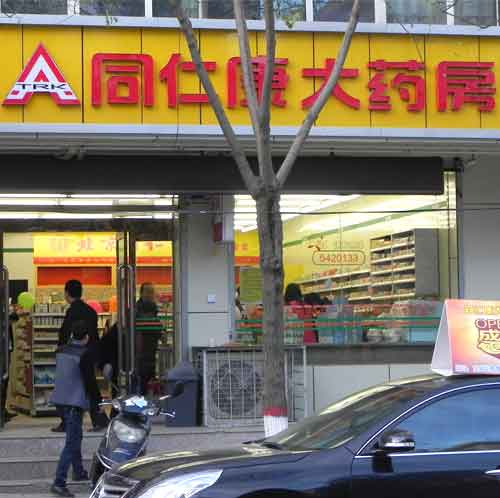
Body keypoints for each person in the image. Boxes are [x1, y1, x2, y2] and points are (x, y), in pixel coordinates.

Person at [50, 321, 101, 498]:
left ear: (72, 335)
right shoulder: (84, 354)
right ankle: (59, 482)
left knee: (76, 436)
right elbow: (90, 381)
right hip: (74, 401)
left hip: (60, 399)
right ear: (86, 337)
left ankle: (78, 471)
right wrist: (98, 401)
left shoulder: (61, 350)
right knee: (71, 442)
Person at [52, 280, 106, 433]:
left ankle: (67, 422)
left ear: (67, 293)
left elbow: (64, 334)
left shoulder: (72, 311)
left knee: (69, 387)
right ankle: (99, 419)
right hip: (89, 354)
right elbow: (94, 335)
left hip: (73, 355)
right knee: (91, 386)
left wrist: (61, 349)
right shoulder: (91, 311)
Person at [1, 311, 17, 424]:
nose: (11, 324)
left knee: (5, 384)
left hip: (7, 356)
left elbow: (10, 342)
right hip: (3, 357)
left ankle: (3, 410)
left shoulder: (8, 326)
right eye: (11, 321)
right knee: (3, 384)